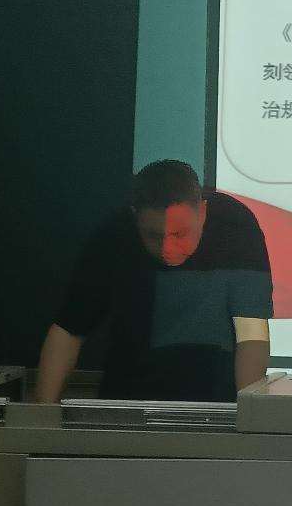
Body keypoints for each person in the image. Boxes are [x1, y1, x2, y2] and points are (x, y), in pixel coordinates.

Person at [36, 160, 273, 403]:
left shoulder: (236, 226)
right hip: (128, 404)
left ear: (202, 212)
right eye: (154, 236)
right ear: (135, 217)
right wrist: (42, 415)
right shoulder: (112, 236)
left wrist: (248, 415)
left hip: (215, 407)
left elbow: (251, 332)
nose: (167, 249)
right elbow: (68, 330)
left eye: (179, 234)